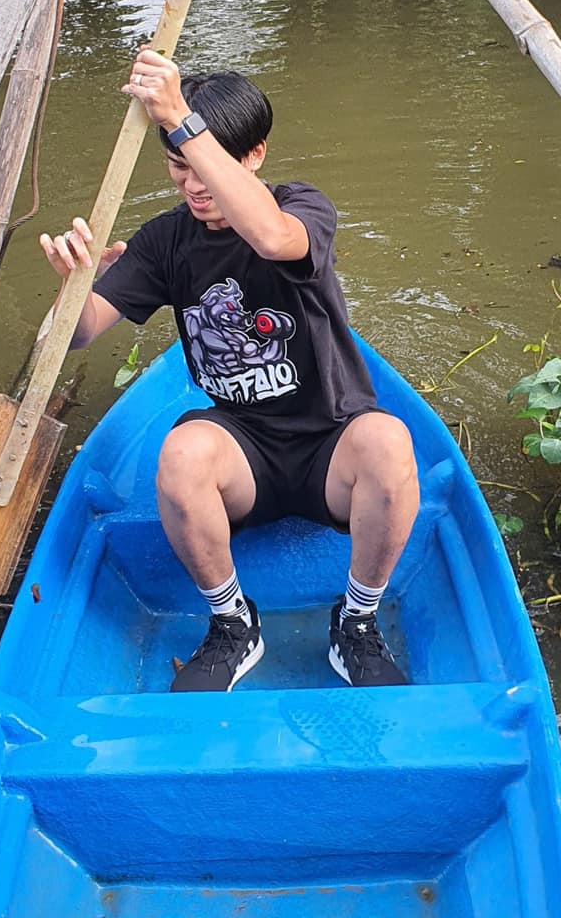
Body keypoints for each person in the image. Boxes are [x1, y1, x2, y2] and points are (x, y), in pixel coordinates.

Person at [40, 48, 419, 693]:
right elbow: (72, 337)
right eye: (176, 167)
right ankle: (232, 623)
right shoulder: (166, 240)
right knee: (182, 453)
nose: (193, 186)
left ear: (254, 157)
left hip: (331, 447)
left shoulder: (303, 208)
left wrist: (182, 117)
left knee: (389, 442)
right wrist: (73, 286)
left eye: (206, 165)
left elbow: (274, 239)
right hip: (244, 456)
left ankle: (355, 623)